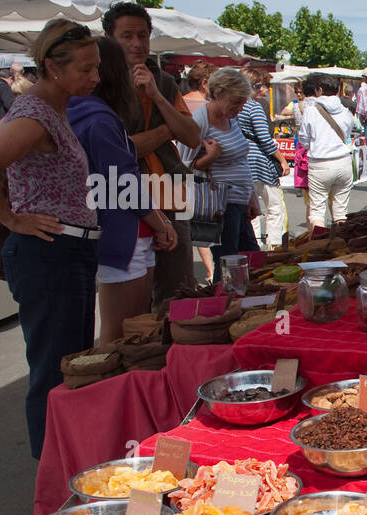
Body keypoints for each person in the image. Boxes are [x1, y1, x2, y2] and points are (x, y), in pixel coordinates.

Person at [0, 20, 100, 459]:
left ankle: (65, 464)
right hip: (49, 253)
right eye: (86, 69)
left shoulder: (51, 109)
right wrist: (13, 219)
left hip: (66, 251)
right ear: (53, 69)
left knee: (69, 365)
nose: (95, 77)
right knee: (53, 371)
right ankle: (52, 473)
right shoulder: (34, 113)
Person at [68, 37, 178, 345]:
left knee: (132, 331)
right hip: (123, 233)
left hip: (126, 232)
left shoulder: (85, 113)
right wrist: (162, 223)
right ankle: (110, 392)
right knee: (119, 335)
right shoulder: (98, 119)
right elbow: (122, 183)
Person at [104, 1, 202, 303]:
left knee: (177, 288)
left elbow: (191, 136)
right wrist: (163, 132)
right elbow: (119, 150)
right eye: (127, 36)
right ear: (109, 38)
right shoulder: (100, 83)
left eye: (143, 35)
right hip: (122, 196)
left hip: (169, 191)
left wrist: (157, 96)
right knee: (132, 298)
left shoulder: (162, 80)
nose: (137, 43)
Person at [189, 68, 263, 266]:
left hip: (238, 200)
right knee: (229, 264)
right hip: (219, 204)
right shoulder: (199, 121)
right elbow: (184, 166)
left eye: (242, 102)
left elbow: (240, 160)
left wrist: (251, 196)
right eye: (236, 102)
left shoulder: (231, 118)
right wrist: (211, 157)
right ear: (218, 94)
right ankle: (222, 297)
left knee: (251, 259)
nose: (240, 107)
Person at [297, 73, 356, 227]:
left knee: (317, 211)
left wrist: (315, 145)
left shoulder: (311, 110)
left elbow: (303, 138)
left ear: (319, 90)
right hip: (343, 161)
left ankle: (319, 246)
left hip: (320, 163)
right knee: (340, 212)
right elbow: (348, 133)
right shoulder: (345, 111)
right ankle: (340, 243)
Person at [239, 67, 288, 249]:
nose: (263, 90)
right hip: (259, 162)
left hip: (241, 162)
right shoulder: (253, 107)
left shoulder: (233, 105)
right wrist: (282, 159)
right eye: (259, 85)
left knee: (250, 209)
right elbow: (265, 139)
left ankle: (255, 247)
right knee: (274, 207)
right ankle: (273, 246)